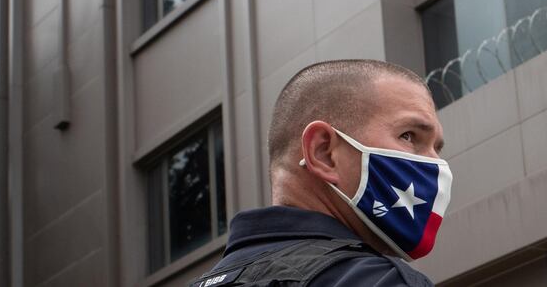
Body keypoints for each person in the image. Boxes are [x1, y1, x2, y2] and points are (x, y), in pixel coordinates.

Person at [190, 59, 452, 287]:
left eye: (437, 148)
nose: (436, 164)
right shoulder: (371, 280)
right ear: (324, 152)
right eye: (409, 136)